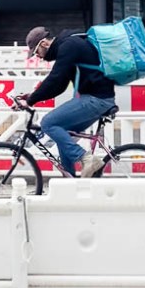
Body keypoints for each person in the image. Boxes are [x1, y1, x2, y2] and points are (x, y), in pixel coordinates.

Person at [15, 26, 116, 177]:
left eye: (36, 52)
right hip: (98, 98)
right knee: (62, 130)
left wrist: (30, 101)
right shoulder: (68, 46)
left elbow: (55, 77)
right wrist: (32, 96)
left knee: (48, 123)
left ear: (44, 44)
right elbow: (59, 85)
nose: (38, 57)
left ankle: (86, 158)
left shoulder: (68, 46)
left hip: (96, 99)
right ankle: (68, 183)